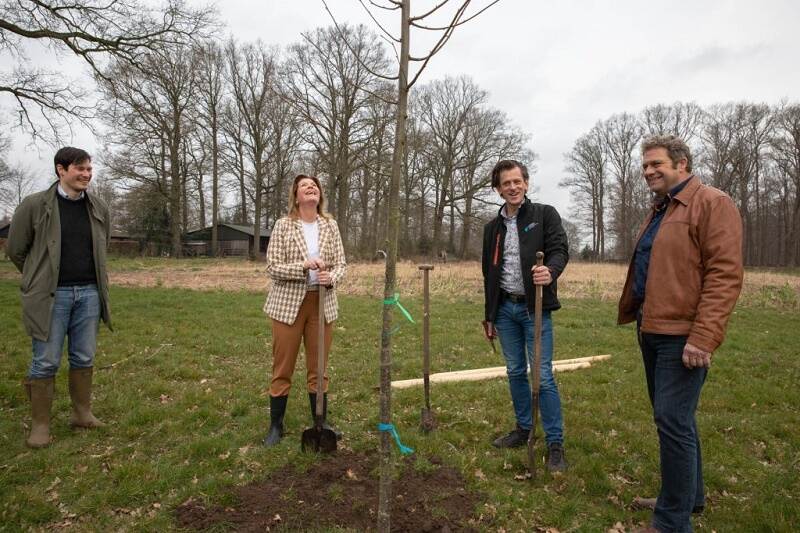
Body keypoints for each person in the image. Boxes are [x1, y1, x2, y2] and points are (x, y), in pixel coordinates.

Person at [618, 135, 743, 533]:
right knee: (676, 420)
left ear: (682, 163)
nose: (648, 171)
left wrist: (704, 336)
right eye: (645, 166)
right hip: (652, 327)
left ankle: (672, 521)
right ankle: (689, 497)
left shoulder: (711, 203)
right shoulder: (662, 208)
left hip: (683, 335)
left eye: (656, 164)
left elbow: (724, 275)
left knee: (671, 419)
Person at [7, 147, 111, 448]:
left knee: (84, 356)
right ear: (60, 170)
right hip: (51, 296)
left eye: (89, 169)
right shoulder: (34, 205)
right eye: (80, 168)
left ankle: (82, 414)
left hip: (90, 294)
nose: (86, 174)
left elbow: (101, 248)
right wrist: (37, 278)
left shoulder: (99, 207)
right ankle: (40, 426)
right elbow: (16, 250)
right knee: (46, 361)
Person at [481, 159, 569, 472]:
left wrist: (551, 270)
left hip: (535, 308)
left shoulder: (544, 215)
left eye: (517, 181)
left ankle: (556, 443)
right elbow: (489, 275)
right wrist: (489, 315)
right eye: (506, 183)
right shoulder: (492, 229)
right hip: (505, 309)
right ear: (498, 189)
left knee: (542, 376)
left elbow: (560, 249)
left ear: (526, 183)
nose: (513, 187)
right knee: (515, 370)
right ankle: (524, 429)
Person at [262, 174, 346, 447]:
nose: (311, 188)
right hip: (288, 306)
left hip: (321, 304)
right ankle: (276, 426)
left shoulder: (330, 226)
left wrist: (330, 277)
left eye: (314, 186)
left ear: (319, 195)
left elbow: (341, 265)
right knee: (283, 367)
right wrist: (303, 265)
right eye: (304, 186)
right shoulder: (284, 226)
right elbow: (273, 267)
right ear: (296, 197)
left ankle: (320, 421)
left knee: (319, 368)